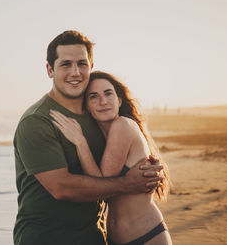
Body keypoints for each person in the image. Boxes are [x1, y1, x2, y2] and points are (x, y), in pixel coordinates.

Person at [13, 30, 165, 245]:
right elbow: (62, 188)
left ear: (90, 67)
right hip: (47, 237)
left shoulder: (96, 115)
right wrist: (128, 183)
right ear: (50, 70)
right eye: (65, 64)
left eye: (82, 64)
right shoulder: (37, 121)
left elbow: (125, 149)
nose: (75, 72)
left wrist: (146, 166)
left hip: (95, 236)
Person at [50, 71, 172, 245]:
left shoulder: (122, 125)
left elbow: (102, 185)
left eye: (108, 93)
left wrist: (80, 142)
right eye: (94, 97)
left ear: (119, 100)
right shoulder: (102, 138)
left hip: (147, 236)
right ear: (87, 106)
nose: (103, 101)